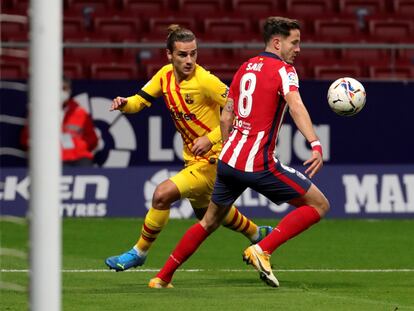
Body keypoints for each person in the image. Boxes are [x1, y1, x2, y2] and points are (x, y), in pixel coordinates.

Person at [148, 17, 330, 289]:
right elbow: (295, 105)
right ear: (277, 43)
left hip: (228, 160)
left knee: (208, 221)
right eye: (295, 42)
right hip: (259, 164)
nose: (298, 49)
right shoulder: (284, 70)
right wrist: (314, 143)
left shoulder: (245, 67)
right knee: (319, 204)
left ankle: (162, 277)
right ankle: (262, 249)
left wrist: (226, 145)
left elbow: (226, 116)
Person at [104, 25, 272, 272]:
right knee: (210, 213)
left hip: (214, 159)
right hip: (193, 160)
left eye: (194, 53)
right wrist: (124, 104)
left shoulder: (205, 81)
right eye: (183, 54)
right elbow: (139, 101)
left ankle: (139, 252)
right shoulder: (164, 76)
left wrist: (211, 139)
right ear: (169, 55)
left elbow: (238, 112)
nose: (190, 60)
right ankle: (257, 233)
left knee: (162, 194)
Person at [20, 76, 98, 166]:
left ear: (69, 90)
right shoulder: (37, 112)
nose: (61, 92)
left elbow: (93, 140)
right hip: (49, 158)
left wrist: (78, 145)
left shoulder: (80, 112)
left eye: (64, 88)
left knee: (85, 166)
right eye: (57, 88)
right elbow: (26, 139)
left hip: (79, 157)